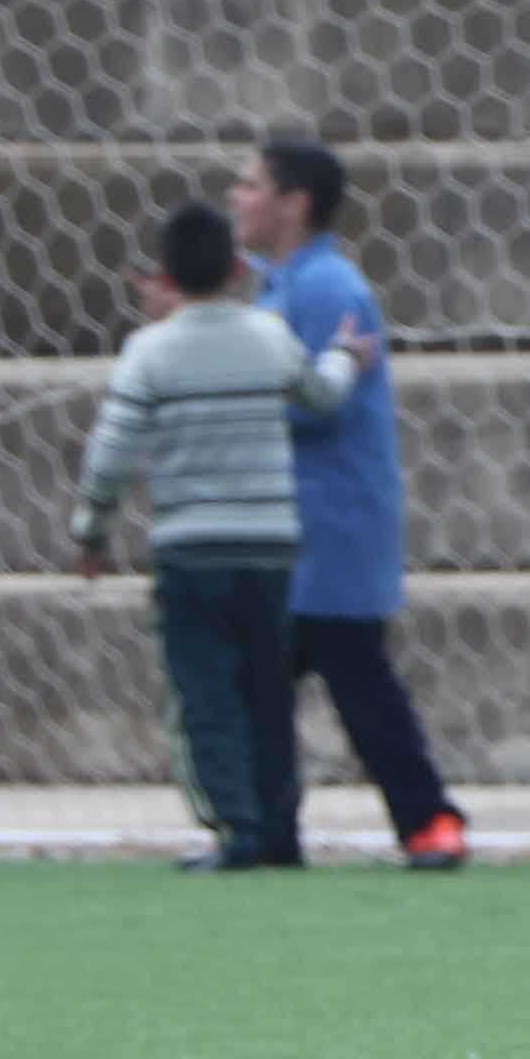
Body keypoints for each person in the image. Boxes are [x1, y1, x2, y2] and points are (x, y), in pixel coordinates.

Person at [74, 197, 368, 869]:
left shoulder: (150, 351)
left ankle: (236, 827)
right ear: (238, 268)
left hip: (190, 552)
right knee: (268, 690)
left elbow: (110, 454)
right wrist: (346, 357)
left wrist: (91, 529)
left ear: (165, 276)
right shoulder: (268, 336)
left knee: (206, 691)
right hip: (268, 549)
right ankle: (280, 830)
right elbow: (320, 395)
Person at [228, 132, 470, 870]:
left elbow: (308, 403)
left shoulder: (327, 289)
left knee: (357, 682)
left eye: (251, 184)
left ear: (294, 203)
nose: (237, 197)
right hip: (293, 525)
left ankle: (430, 823)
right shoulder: (282, 285)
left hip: (329, 525)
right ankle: (269, 832)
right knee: (264, 682)